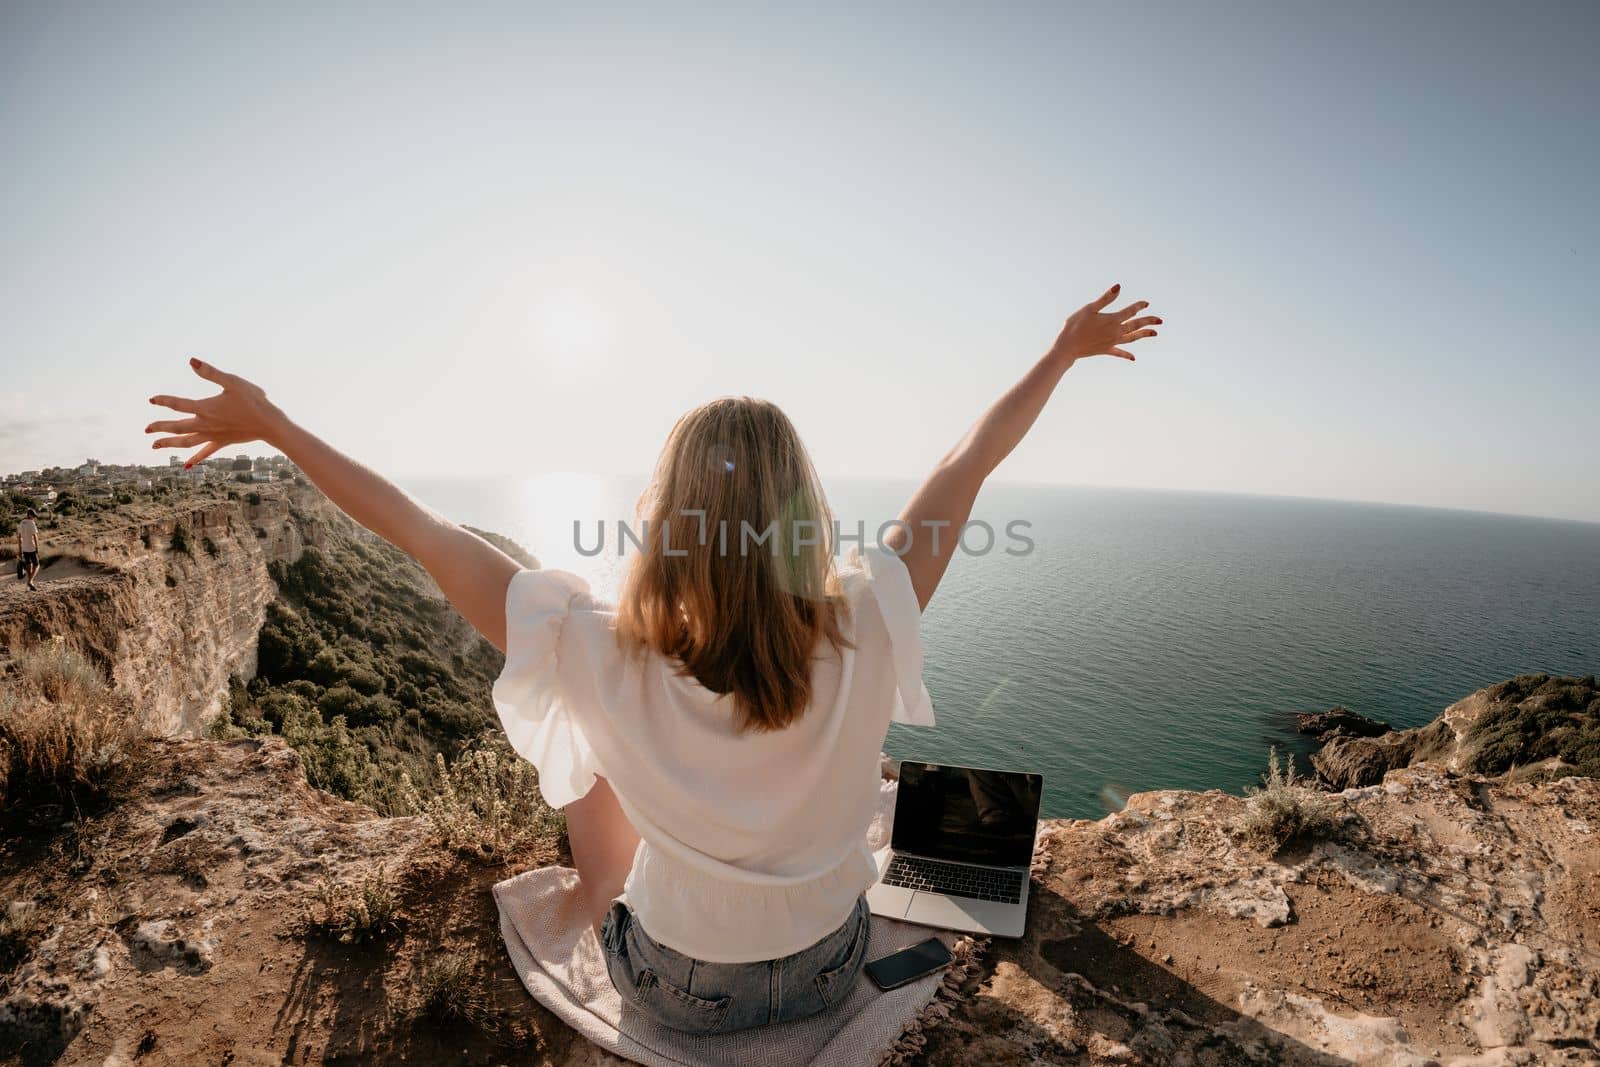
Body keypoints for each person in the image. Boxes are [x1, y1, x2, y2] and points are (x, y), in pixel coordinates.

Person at [143, 283, 1159, 1034]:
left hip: (674, 982)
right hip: (823, 967)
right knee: (901, 795)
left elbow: (418, 527)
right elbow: (963, 464)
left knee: (589, 756)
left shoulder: (592, 643)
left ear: (667, 514)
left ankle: (592, 897)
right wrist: (1062, 350)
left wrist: (273, 424)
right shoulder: (864, 614)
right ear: (800, 514)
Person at [17, 508, 41, 590]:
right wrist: (37, 547)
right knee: (37, 565)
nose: (34, 517)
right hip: (32, 548)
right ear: (29, 514)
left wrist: (20, 550)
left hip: (24, 548)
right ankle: (30, 581)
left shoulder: (21, 523)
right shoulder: (31, 523)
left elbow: (19, 537)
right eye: (33, 515)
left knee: (29, 565)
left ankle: (30, 583)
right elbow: (35, 536)